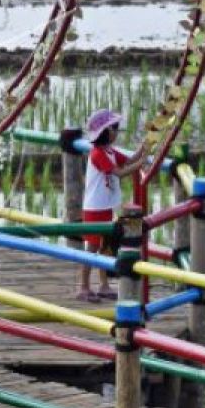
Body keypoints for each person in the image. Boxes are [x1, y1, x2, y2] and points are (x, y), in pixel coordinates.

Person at [76, 109, 135, 303]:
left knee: (106, 246)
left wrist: (144, 151)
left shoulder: (110, 151)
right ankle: (83, 286)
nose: (117, 131)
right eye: (114, 128)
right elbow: (119, 172)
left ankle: (103, 285)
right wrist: (142, 162)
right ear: (104, 132)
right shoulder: (97, 154)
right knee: (92, 246)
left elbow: (128, 161)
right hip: (94, 207)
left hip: (106, 205)